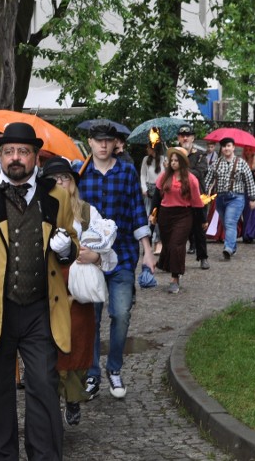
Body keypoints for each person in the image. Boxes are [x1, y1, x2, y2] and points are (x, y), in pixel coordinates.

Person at [0, 122, 78, 460]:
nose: (15, 158)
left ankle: (44, 455)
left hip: (40, 308)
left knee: (44, 387)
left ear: (36, 157)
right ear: (0, 155)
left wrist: (67, 249)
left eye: (23, 152)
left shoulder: (57, 196)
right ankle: (4, 455)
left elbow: (68, 243)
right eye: (9, 152)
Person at [75, 122, 155, 400]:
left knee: (121, 313)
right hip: (90, 257)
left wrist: (147, 251)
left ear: (114, 143)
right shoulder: (80, 173)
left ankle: (115, 368)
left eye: (108, 140)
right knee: (91, 318)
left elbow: (136, 211)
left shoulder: (126, 172)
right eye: (98, 141)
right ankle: (92, 373)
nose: (104, 145)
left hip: (122, 255)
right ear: (90, 142)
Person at [41, 157, 115, 427]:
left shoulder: (87, 212)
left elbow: (107, 252)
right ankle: (49, 403)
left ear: (73, 183)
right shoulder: (39, 209)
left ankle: (72, 397)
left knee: (77, 344)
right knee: (48, 344)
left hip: (78, 287)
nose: (61, 183)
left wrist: (94, 256)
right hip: (49, 285)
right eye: (55, 179)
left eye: (66, 178)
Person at [150, 147, 206, 294]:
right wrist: (152, 214)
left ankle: (175, 278)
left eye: (176, 160)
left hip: (183, 215)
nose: (173, 163)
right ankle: (164, 263)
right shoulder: (164, 177)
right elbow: (156, 197)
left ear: (182, 162)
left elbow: (197, 202)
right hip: (165, 215)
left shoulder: (191, 179)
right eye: (171, 160)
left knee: (177, 245)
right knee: (168, 244)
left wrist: (202, 220)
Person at [204, 137, 255, 260]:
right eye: (224, 146)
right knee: (225, 223)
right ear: (221, 149)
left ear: (233, 147)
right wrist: (204, 193)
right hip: (220, 198)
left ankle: (227, 248)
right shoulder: (216, 163)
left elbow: (249, 181)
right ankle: (232, 246)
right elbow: (208, 179)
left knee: (230, 222)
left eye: (228, 146)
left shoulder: (241, 163)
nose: (226, 148)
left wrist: (252, 198)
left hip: (236, 198)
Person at [176, 124, 210, 270]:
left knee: (199, 229)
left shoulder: (200, 155)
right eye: (182, 136)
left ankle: (203, 257)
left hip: (197, 197)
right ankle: (176, 260)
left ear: (193, 137)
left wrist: (182, 169)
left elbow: (200, 172)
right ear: (178, 138)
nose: (185, 138)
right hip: (179, 196)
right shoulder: (174, 154)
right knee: (178, 230)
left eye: (188, 135)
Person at [140, 141, 164, 254]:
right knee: (148, 217)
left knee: (158, 218)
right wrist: (144, 188)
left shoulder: (164, 160)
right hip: (149, 189)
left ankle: (158, 243)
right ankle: (148, 244)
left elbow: (166, 174)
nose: (147, 149)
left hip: (160, 189)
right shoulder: (146, 159)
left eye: (149, 147)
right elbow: (143, 175)